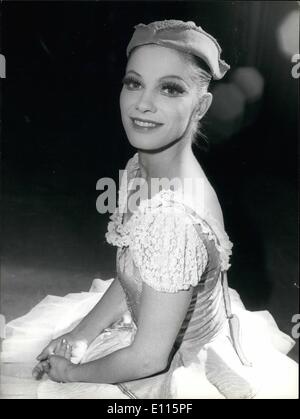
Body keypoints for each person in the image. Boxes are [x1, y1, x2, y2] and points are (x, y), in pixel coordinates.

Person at [1, 20, 298, 399]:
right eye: (133, 82)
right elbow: (135, 276)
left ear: (202, 105)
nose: (143, 103)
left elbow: (148, 360)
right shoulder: (142, 169)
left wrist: (71, 373)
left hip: (170, 369)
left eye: (170, 88)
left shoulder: (173, 219)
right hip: (150, 331)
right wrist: (81, 333)